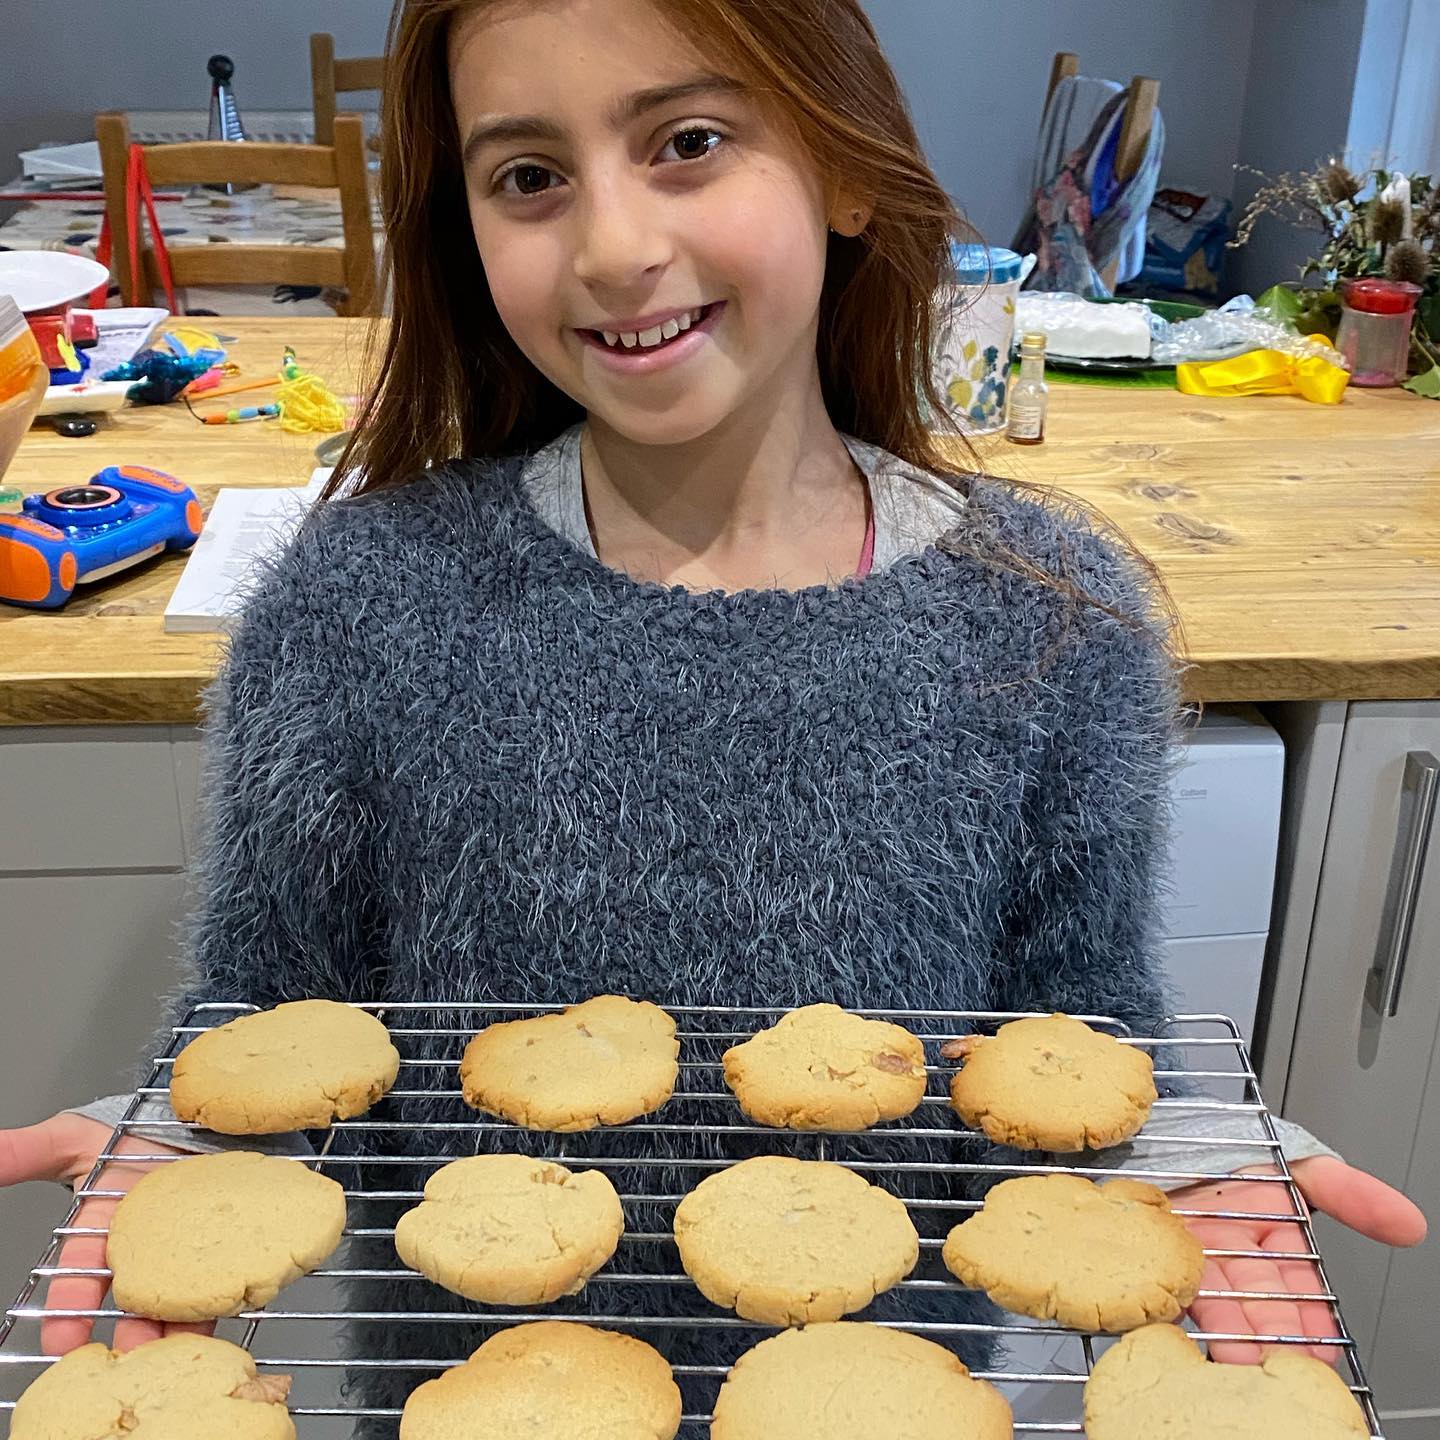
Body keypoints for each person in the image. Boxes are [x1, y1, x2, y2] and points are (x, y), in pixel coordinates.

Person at [1, 0, 1424, 1425]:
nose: (613, 247)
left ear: (846, 165)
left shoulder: (1053, 619)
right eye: (529, 177)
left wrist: (1187, 1153)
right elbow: (270, 1027)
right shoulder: (359, 604)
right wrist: (174, 1146)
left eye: (687, 142)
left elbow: (1080, 1051)